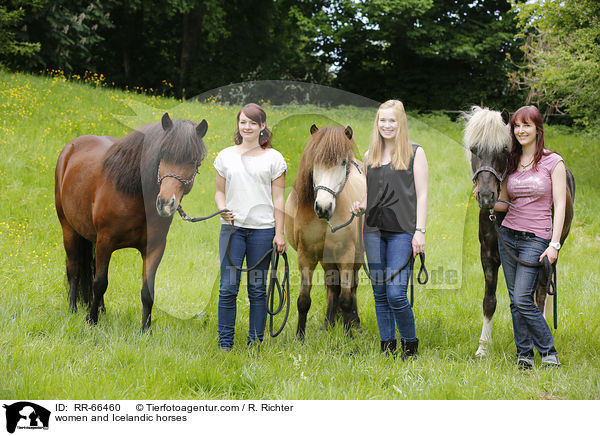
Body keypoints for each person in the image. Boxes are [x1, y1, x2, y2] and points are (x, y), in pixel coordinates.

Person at [351, 99, 429, 360]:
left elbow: (423, 194)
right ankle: (387, 346)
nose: (386, 125)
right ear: (377, 123)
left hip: (403, 231)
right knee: (380, 292)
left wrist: (420, 231)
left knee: (396, 293)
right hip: (372, 232)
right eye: (382, 120)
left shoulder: (415, 153)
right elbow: (372, 194)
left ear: (401, 122)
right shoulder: (369, 156)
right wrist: (361, 205)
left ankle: (410, 345)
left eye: (392, 120)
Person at [494, 105, 566, 369]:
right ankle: (524, 355)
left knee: (523, 298)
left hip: (537, 237)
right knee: (515, 300)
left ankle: (548, 352)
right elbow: (503, 203)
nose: (521, 130)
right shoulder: (510, 162)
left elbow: (560, 205)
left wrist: (554, 244)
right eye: (516, 126)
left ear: (538, 129)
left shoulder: (552, 161)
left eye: (527, 125)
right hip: (509, 235)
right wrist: (486, 200)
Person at [213, 103, 287, 350]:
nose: (247, 127)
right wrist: (223, 209)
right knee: (228, 288)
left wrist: (279, 233)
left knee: (257, 289)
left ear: (262, 126)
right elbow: (219, 191)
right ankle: (225, 344)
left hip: (263, 232)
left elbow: (279, 199)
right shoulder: (225, 156)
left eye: (253, 123)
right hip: (233, 230)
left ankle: (254, 344)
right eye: (243, 122)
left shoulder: (274, 159)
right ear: (238, 124)